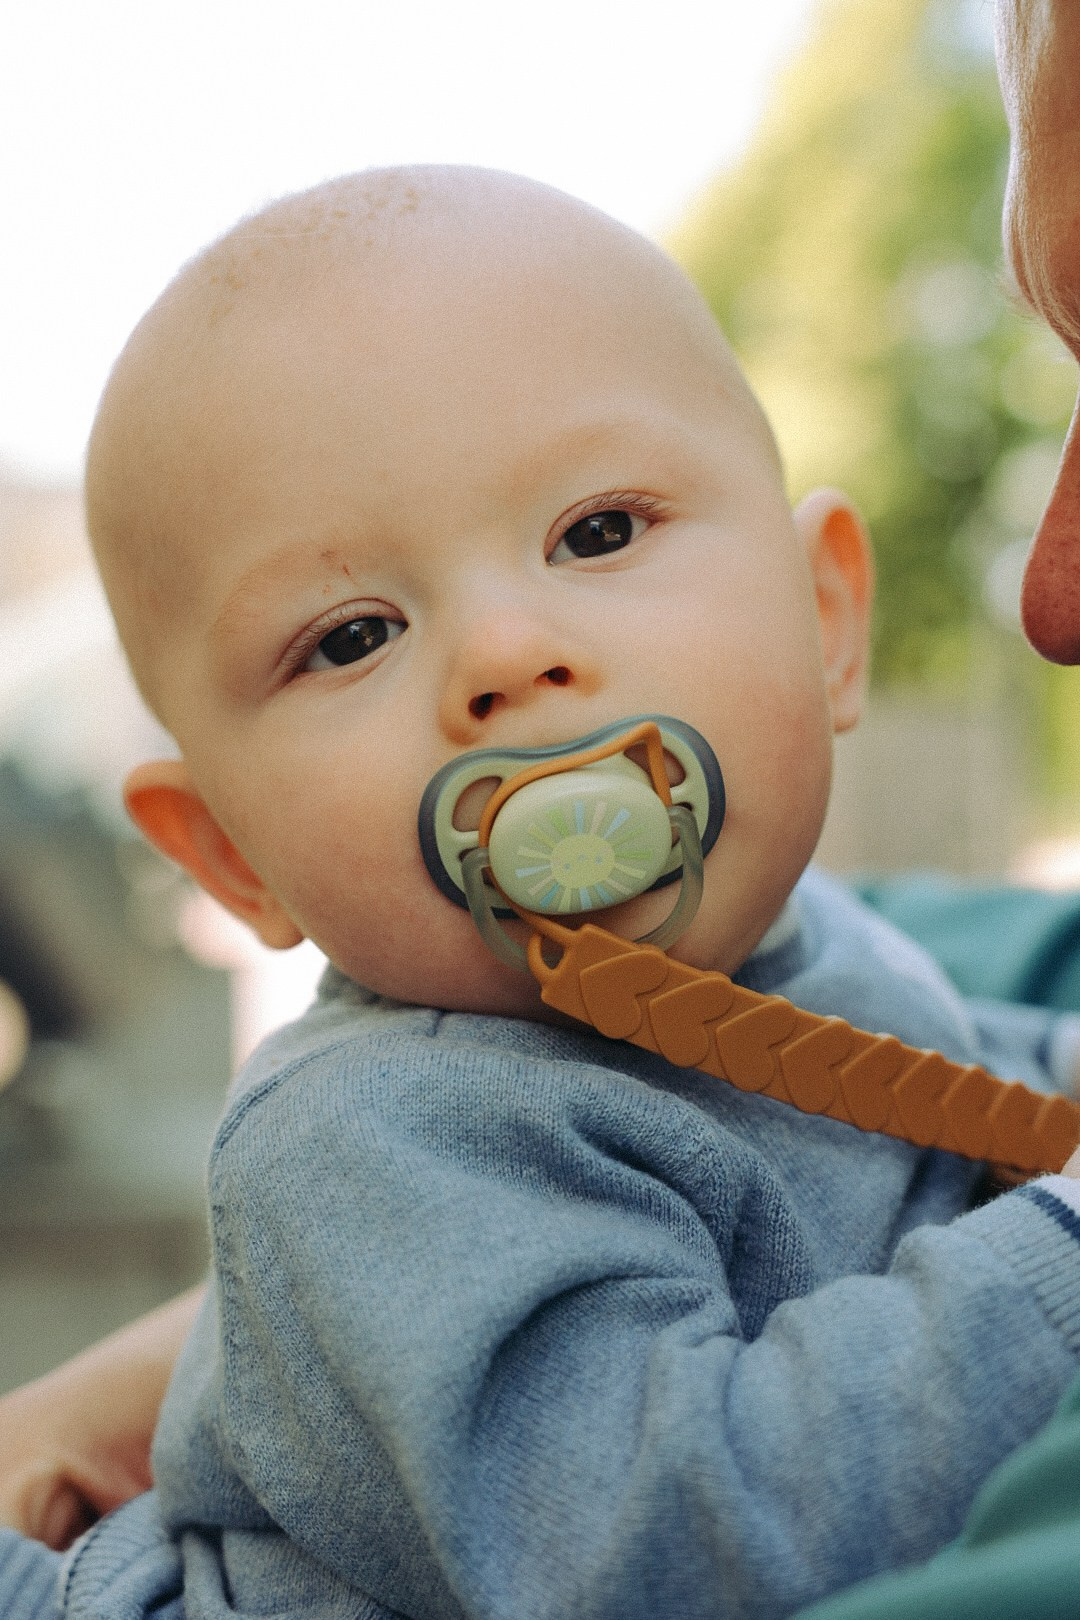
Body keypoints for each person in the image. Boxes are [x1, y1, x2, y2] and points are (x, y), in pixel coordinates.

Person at [2, 164, 1080, 1620]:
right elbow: (673, 1545)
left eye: (598, 532)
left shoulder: (810, 944)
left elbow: (977, 1122)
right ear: (231, 857)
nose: (507, 652)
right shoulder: (373, 1142)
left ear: (825, 622)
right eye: (350, 637)